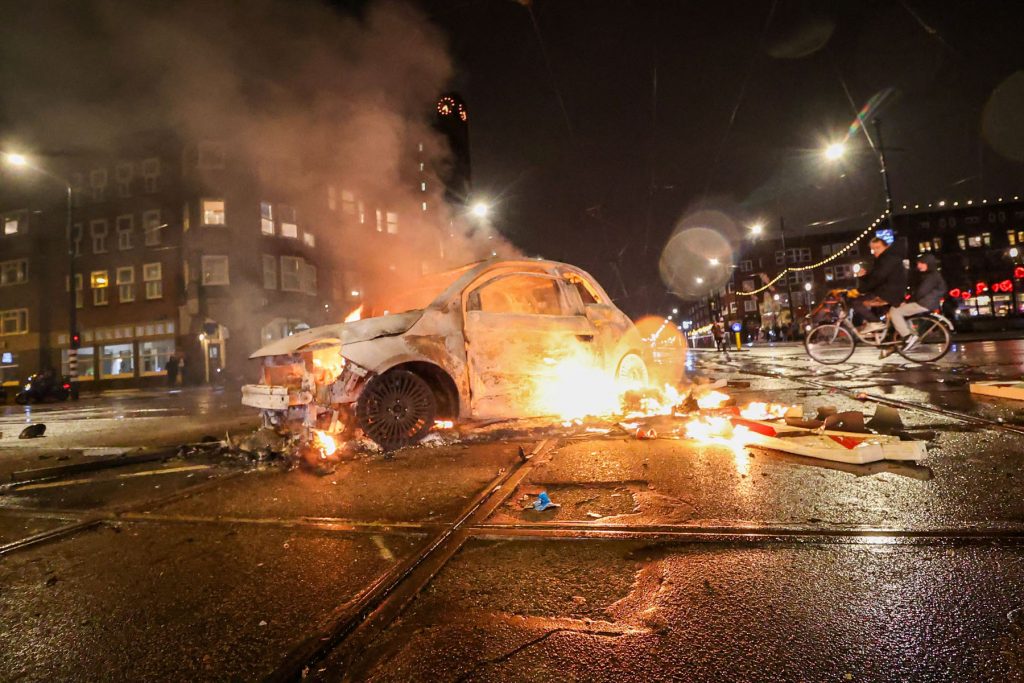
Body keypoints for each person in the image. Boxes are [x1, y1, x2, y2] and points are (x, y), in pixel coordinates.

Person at [880, 253, 946, 356]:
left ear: (928, 263)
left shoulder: (932, 276)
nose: (918, 266)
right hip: (928, 303)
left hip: (925, 303)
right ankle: (904, 337)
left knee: (894, 311)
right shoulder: (931, 275)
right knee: (900, 312)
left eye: (921, 263)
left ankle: (908, 337)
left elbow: (921, 292)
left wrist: (907, 301)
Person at [850, 237, 907, 334]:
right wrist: (863, 277)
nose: (875, 251)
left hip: (888, 293)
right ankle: (886, 335)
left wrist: (859, 290)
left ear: (886, 247)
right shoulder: (883, 259)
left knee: (857, 302)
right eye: (873, 249)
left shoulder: (888, 259)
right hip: (887, 291)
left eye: (878, 247)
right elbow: (875, 277)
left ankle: (875, 322)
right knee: (881, 314)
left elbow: (878, 278)